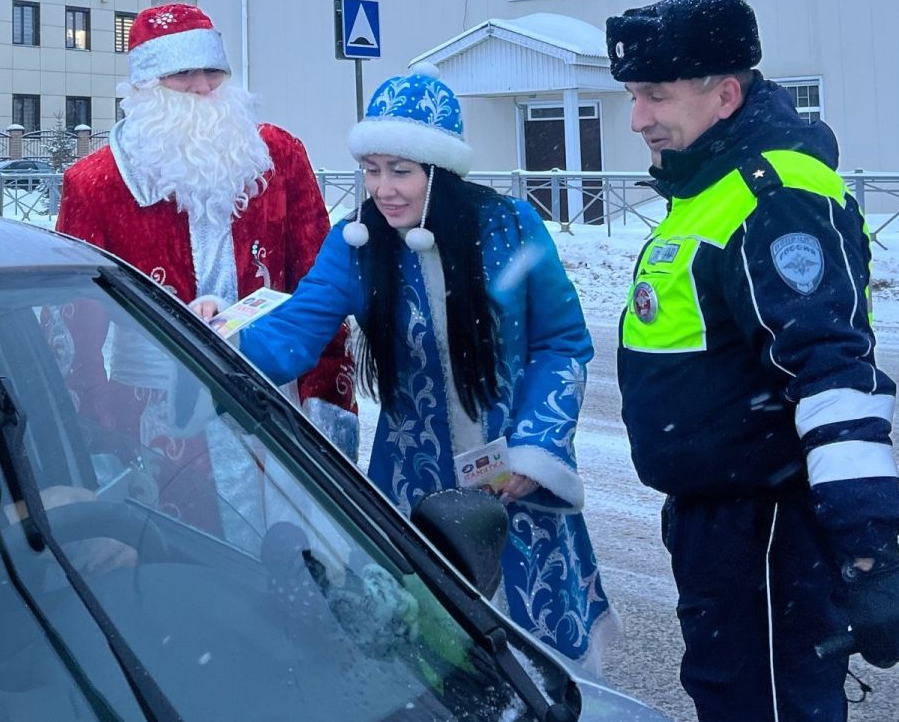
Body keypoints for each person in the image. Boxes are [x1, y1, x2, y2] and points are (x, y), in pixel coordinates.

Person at [608, 0, 899, 722]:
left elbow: (830, 374)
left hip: (766, 529)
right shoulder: (707, 188)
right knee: (740, 709)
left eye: (656, 95)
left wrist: (868, 557)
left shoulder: (775, 197)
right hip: (718, 523)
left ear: (725, 94)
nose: (639, 119)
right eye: (633, 96)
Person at [235, 72, 616, 666]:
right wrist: (209, 341)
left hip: (515, 479)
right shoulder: (358, 245)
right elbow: (293, 333)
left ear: (439, 170)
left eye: (401, 170)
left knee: (533, 662)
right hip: (412, 485)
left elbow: (562, 343)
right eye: (371, 169)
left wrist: (536, 450)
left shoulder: (511, 228)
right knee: (423, 656)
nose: (382, 189)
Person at [54, 3, 359, 525]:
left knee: (298, 553)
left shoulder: (277, 156)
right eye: (182, 73)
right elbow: (72, 325)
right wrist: (94, 426)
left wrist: (327, 396)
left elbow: (320, 285)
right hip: (153, 411)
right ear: (147, 85)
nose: (202, 87)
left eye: (213, 71)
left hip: (272, 389)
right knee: (184, 556)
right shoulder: (96, 182)